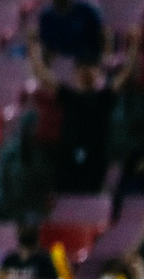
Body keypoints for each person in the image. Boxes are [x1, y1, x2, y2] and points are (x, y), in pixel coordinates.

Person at [33, 46, 117, 197]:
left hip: (95, 157)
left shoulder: (104, 97)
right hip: (69, 154)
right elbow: (43, 76)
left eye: (91, 70)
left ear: (98, 74)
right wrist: (34, 49)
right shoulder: (69, 96)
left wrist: (133, 49)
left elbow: (123, 77)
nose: (86, 75)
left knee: (91, 195)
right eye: (82, 70)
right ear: (76, 74)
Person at [35, 0, 107, 67]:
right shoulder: (46, 16)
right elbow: (47, 46)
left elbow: (102, 37)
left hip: (86, 63)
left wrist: (101, 60)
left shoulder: (86, 12)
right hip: (59, 65)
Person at [0, 215, 60, 279]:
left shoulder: (46, 260)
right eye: (24, 228)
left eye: (32, 228)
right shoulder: (10, 260)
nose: (27, 231)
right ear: (18, 230)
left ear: (38, 231)